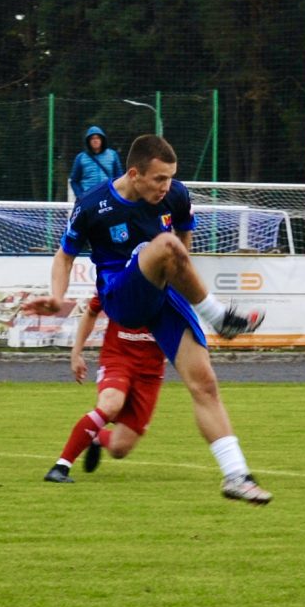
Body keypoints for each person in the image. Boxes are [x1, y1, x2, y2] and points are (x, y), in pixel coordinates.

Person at [36, 133, 271, 503]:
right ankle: (218, 316)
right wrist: (56, 296)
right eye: (159, 179)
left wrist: (178, 271)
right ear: (134, 174)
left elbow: (183, 242)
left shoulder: (176, 194)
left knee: (205, 383)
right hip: (122, 297)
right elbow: (64, 256)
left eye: (171, 177)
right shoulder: (92, 204)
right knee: (163, 244)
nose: (167, 186)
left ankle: (236, 476)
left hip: (163, 294)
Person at [44, 293, 160, 481]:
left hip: (150, 373)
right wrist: (76, 353)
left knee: (119, 449)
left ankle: (96, 437)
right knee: (111, 403)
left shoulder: (174, 292)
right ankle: (61, 467)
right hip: (118, 358)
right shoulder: (118, 283)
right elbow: (91, 312)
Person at [67, 126, 121, 203]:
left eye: (98, 138)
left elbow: (119, 178)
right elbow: (74, 181)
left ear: (102, 140)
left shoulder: (113, 155)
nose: (95, 140)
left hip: (107, 198)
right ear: (88, 141)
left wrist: (115, 194)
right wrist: (81, 196)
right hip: (88, 199)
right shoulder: (81, 157)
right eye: (92, 138)